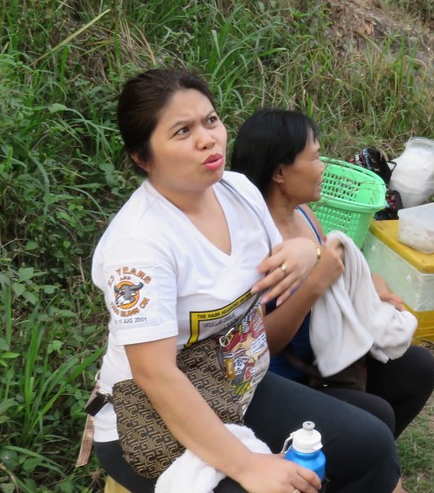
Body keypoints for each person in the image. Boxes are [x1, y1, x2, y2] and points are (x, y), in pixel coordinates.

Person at [89, 69, 401, 493]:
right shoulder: (140, 245)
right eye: (183, 131)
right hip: (146, 416)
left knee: (371, 444)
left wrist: (307, 251)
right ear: (144, 158)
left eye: (211, 121)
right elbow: (155, 374)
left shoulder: (239, 192)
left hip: (238, 387)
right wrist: (248, 465)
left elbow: (288, 261)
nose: (207, 139)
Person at [230, 108, 434, 449]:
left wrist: (371, 285)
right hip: (277, 383)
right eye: (314, 158)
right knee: (375, 415)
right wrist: (314, 285)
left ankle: (362, 462)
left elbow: (335, 269)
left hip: (326, 362)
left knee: (417, 367)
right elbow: (258, 344)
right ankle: (347, 457)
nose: (322, 167)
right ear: (280, 172)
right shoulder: (253, 240)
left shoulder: (303, 212)